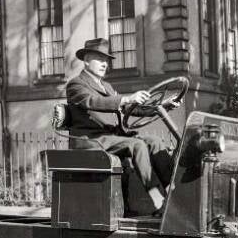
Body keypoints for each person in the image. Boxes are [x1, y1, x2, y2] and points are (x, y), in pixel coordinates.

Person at [66, 38, 172, 214]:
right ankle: (157, 200)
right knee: (137, 145)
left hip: (111, 138)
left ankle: (174, 194)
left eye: (106, 60)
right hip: (92, 139)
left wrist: (163, 107)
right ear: (86, 60)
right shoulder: (76, 84)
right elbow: (92, 101)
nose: (104, 64)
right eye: (99, 59)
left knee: (154, 141)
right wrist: (126, 98)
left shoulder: (106, 86)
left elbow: (129, 108)